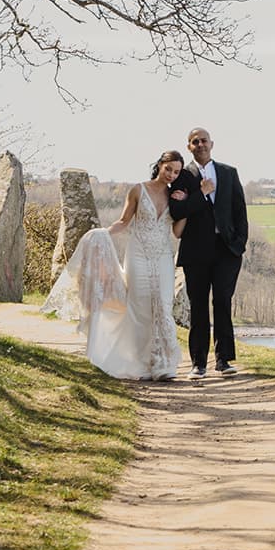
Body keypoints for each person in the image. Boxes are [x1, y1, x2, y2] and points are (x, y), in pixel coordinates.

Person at [43, 151, 185, 381]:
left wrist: (185, 208)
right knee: (139, 307)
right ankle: (140, 363)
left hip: (163, 256)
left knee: (163, 305)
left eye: (176, 171)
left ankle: (163, 363)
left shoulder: (176, 195)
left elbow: (177, 232)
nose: (171, 174)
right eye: (168, 168)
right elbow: (124, 221)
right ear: (159, 165)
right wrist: (102, 234)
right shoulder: (138, 190)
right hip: (138, 254)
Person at [168, 127, 248, 380]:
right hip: (195, 250)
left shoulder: (228, 172)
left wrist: (239, 244)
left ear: (211, 143)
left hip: (227, 250)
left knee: (223, 302)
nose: (200, 144)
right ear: (189, 146)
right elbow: (178, 212)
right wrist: (199, 195)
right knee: (199, 306)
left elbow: (239, 211)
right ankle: (198, 363)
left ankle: (224, 360)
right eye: (195, 142)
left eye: (204, 140)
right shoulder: (182, 177)